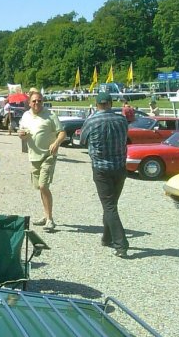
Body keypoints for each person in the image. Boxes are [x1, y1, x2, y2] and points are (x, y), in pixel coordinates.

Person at [79, 92, 130, 258]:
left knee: (109, 206)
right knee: (112, 203)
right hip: (120, 167)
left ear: (96, 104)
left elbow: (82, 141)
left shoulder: (91, 121)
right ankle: (107, 238)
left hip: (101, 167)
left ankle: (121, 244)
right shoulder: (122, 120)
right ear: (110, 103)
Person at [19, 90, 66, 231]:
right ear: (29, 103)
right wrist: (21, 135)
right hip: (33, 156)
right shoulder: (26, 115)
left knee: (43, 185)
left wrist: (56, 143)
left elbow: (62, 132)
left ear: (42, 101)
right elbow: (21, 132)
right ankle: (46, 215)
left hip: (48, 155)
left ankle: (50, 219)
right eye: (34, 101)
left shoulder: (50, 115)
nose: (37, 103)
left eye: (39, 100)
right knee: (40, 187)